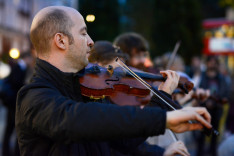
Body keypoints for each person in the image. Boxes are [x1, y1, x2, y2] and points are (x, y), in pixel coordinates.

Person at [16, 6, 212, 156]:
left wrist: (161, 149)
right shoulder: (33, 97)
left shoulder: (85, 88)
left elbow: (122, 140)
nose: (91, 42)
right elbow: (82, 120)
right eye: (83, 33)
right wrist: (164, 119)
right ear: (61, 41)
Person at [88, 40, 191, 156]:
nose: (117, 79)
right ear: (95, 65)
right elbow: (125, 140)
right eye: (138, 56)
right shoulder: (93, 101)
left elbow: (126, 140)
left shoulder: (107, 96)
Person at [0, 52, 33, 156]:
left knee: (11, 128)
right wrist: (25, 85)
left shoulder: (21, 67)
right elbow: (15, 83)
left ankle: (10, 151)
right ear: (26, 58)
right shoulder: (18, 67)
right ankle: (9, 151)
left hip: (13, 102)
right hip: (13, 103)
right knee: (12, 128)